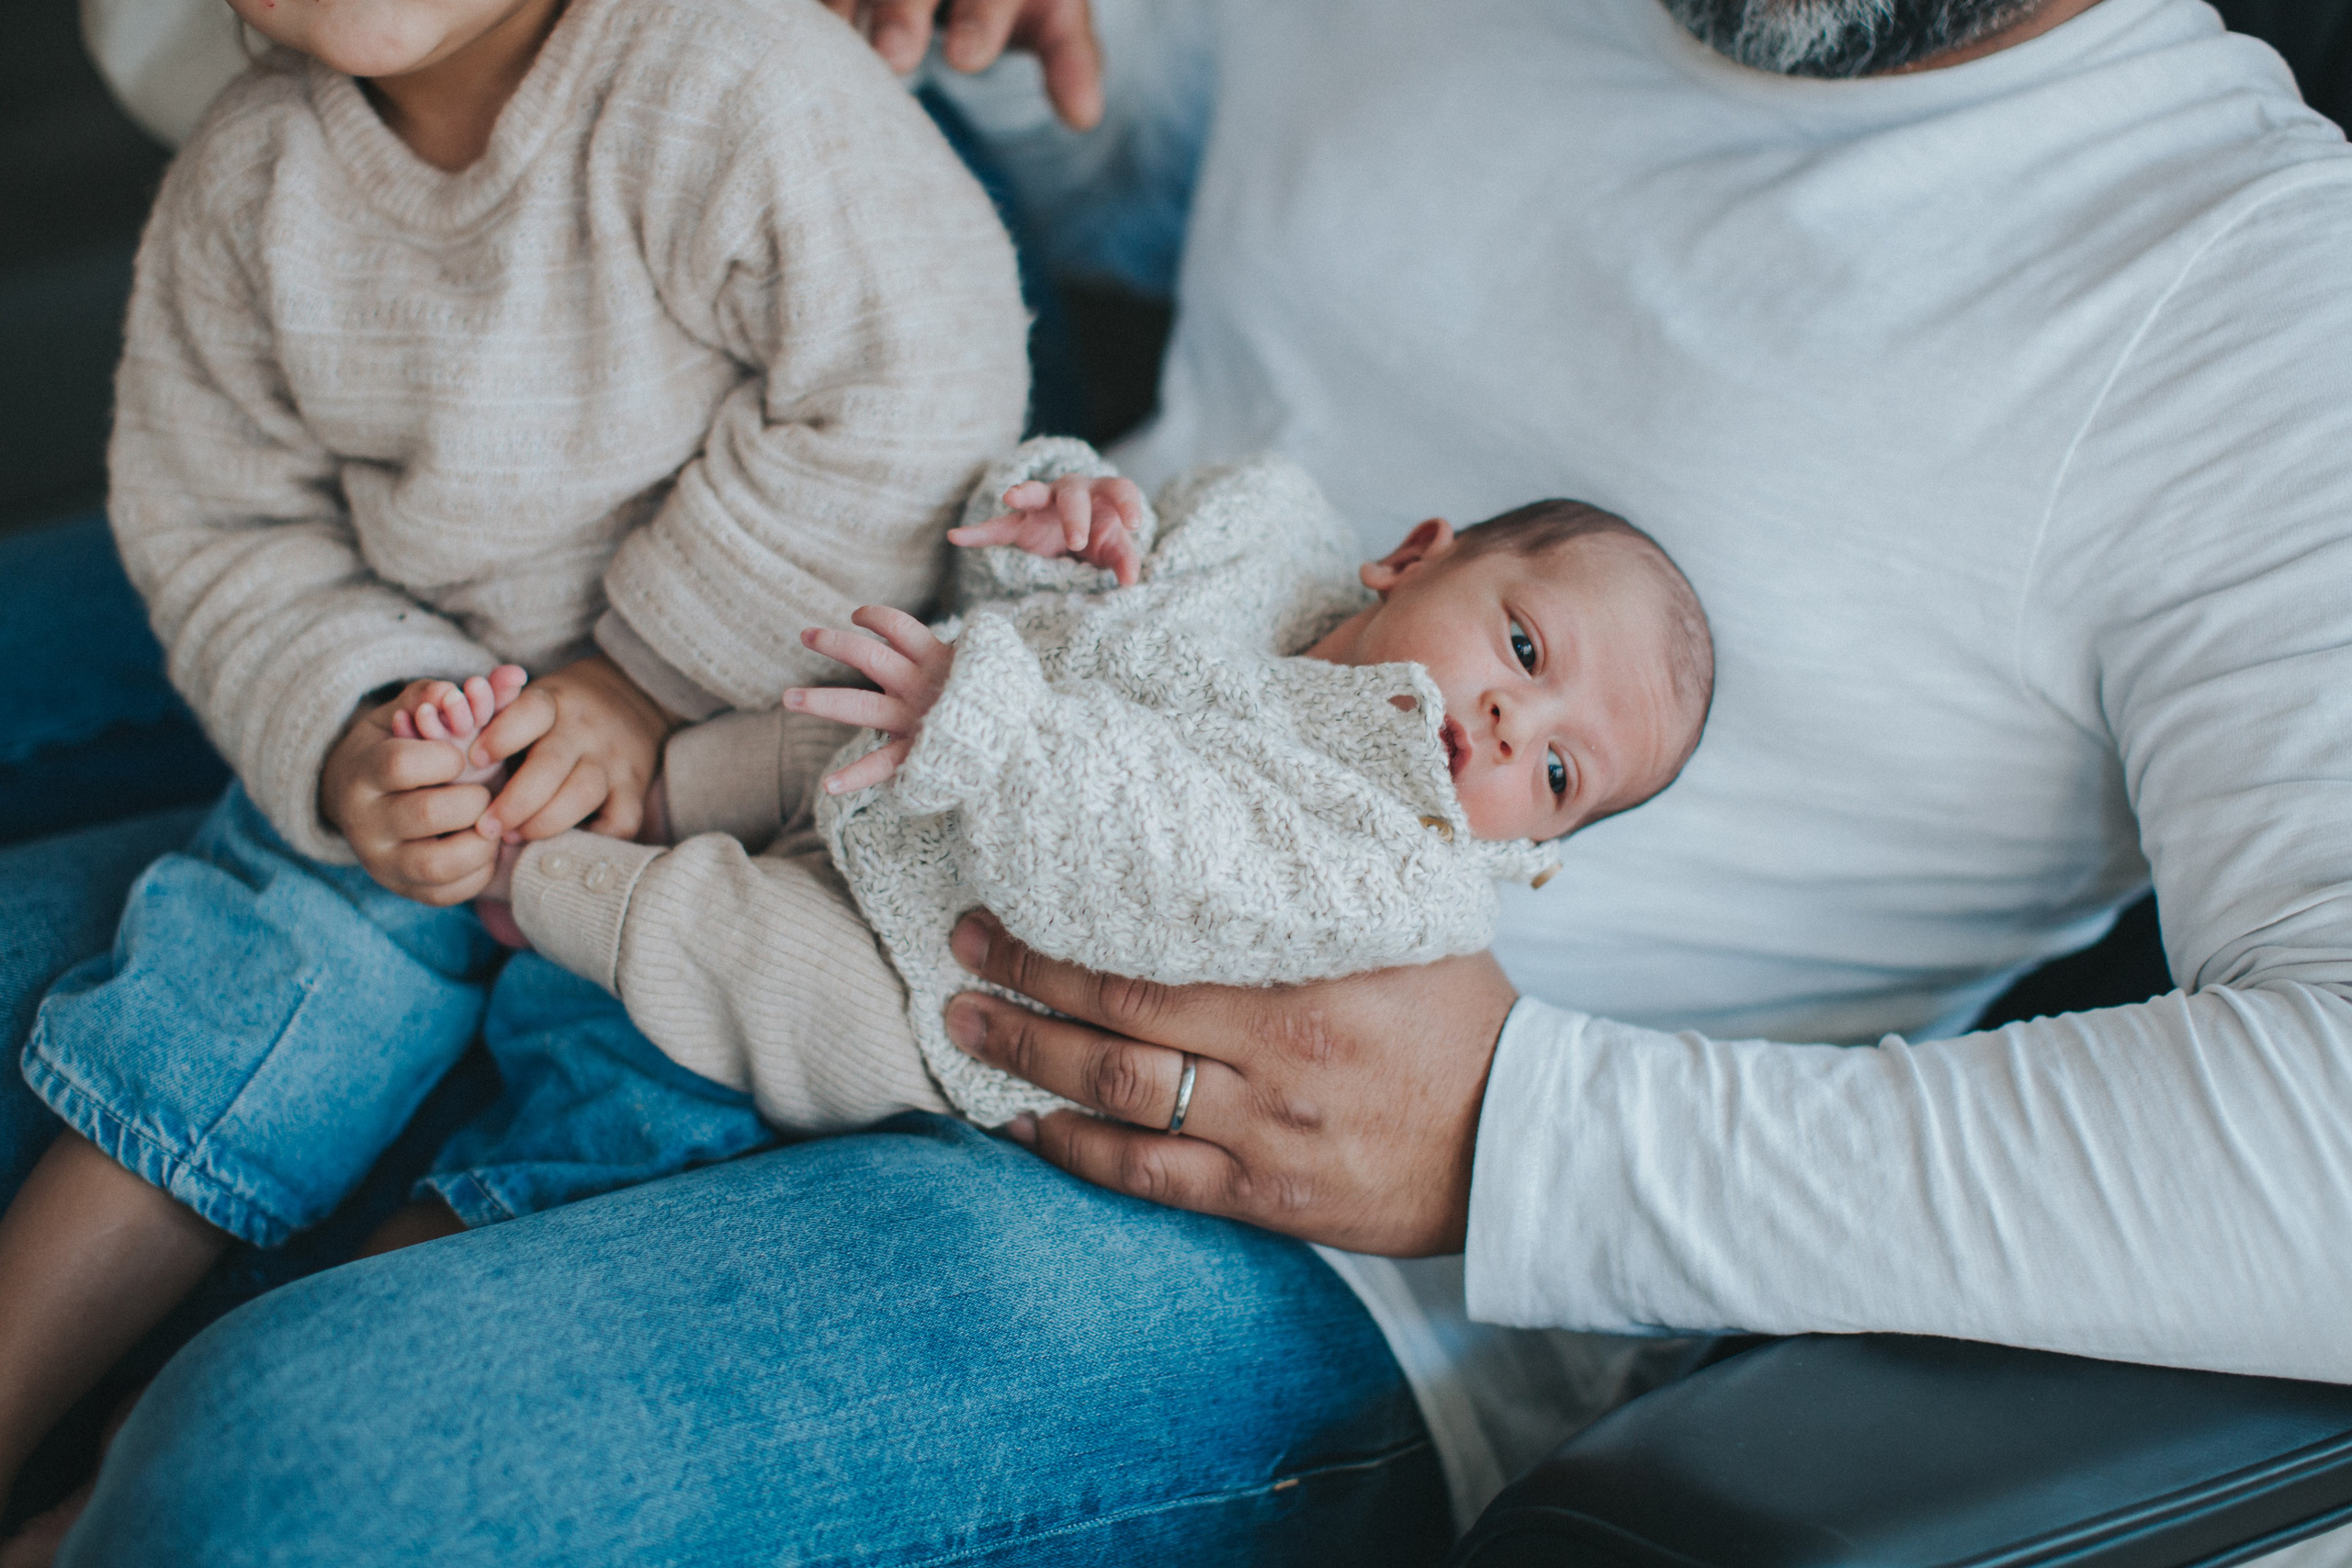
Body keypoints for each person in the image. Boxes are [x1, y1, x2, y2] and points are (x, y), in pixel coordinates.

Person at [10, 0, 2350, 1559]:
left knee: (293, 1478)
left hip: (1258, 1202)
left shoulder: (2255, 302)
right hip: (902, 695)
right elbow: (1083, 169)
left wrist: (1536, 1136)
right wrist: (987, 58)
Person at [0, 0, 1026, 1545]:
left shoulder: (731, 75)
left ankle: (109, 1504)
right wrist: (359, 726)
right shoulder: (248, 180)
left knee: (635, 1096)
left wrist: (636, 684)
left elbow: (914, 391)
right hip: (442, 717)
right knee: (237, 960)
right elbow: (221, 526)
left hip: (749, 767)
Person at [446, 436, 1708, 1130]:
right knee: (784, 717)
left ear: (1541, 845)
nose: (1504, 725)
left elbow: (1170, 858)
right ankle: (588, 784)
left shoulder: (1396, 873)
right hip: (909, 748)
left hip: (953, 975)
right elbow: (1059, 595)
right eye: (1527, 650)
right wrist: (1065, 518)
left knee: (752, 956)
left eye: (1556, 772)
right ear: (1411, 556)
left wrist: (985, 725)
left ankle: (534, 874)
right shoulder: (1259, 538)